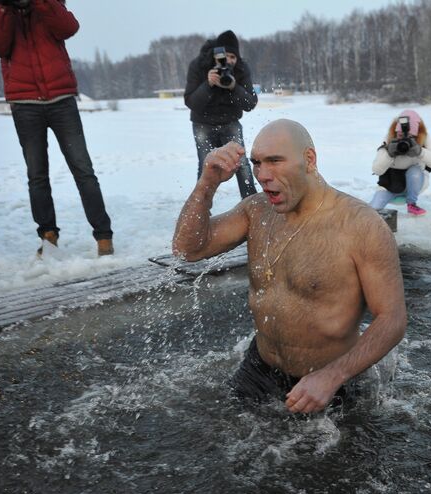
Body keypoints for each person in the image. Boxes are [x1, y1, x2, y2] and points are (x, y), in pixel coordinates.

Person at [172, 119, 407, 413]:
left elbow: (392, 319)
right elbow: (187, 249)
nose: (262, 175)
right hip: (261, 367)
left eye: (275, 161)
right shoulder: (256, 210)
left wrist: (332, 376)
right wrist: (207, 184)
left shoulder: (359, 225)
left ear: (309, 159)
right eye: (257, 163)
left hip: (332, 381)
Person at [0, 0, 114, 256]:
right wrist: (2, 8)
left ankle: (103, 235)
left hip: (61, 100)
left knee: (83, 170)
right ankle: (48, 235)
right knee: (37, 175)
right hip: (24, 104)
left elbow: (67, 27)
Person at [184, 30, 258, 199]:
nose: (229, 61)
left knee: (242, 165)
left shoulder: (240, 69)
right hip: (202, 123)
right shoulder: (198, 66)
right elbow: (191, 102)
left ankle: (252, 204)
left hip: (230, 122)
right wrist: (207, 84)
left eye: (233, 57)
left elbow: (250, 103)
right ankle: (199, 206)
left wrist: (234, 87)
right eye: (225, 57)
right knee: (206, 165)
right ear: (215, 55)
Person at [368, 110, 431, 216]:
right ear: (395, 131)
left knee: (414, 170)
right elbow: (377, 170)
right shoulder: (389, 139)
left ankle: (412, 204)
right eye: (399, 135)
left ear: (417, 135)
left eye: (410, 136)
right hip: (391, 184)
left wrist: (420, 152)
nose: (404, 139)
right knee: (372, 211)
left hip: (415, 183)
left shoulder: (423, 139)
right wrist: (389, 153)